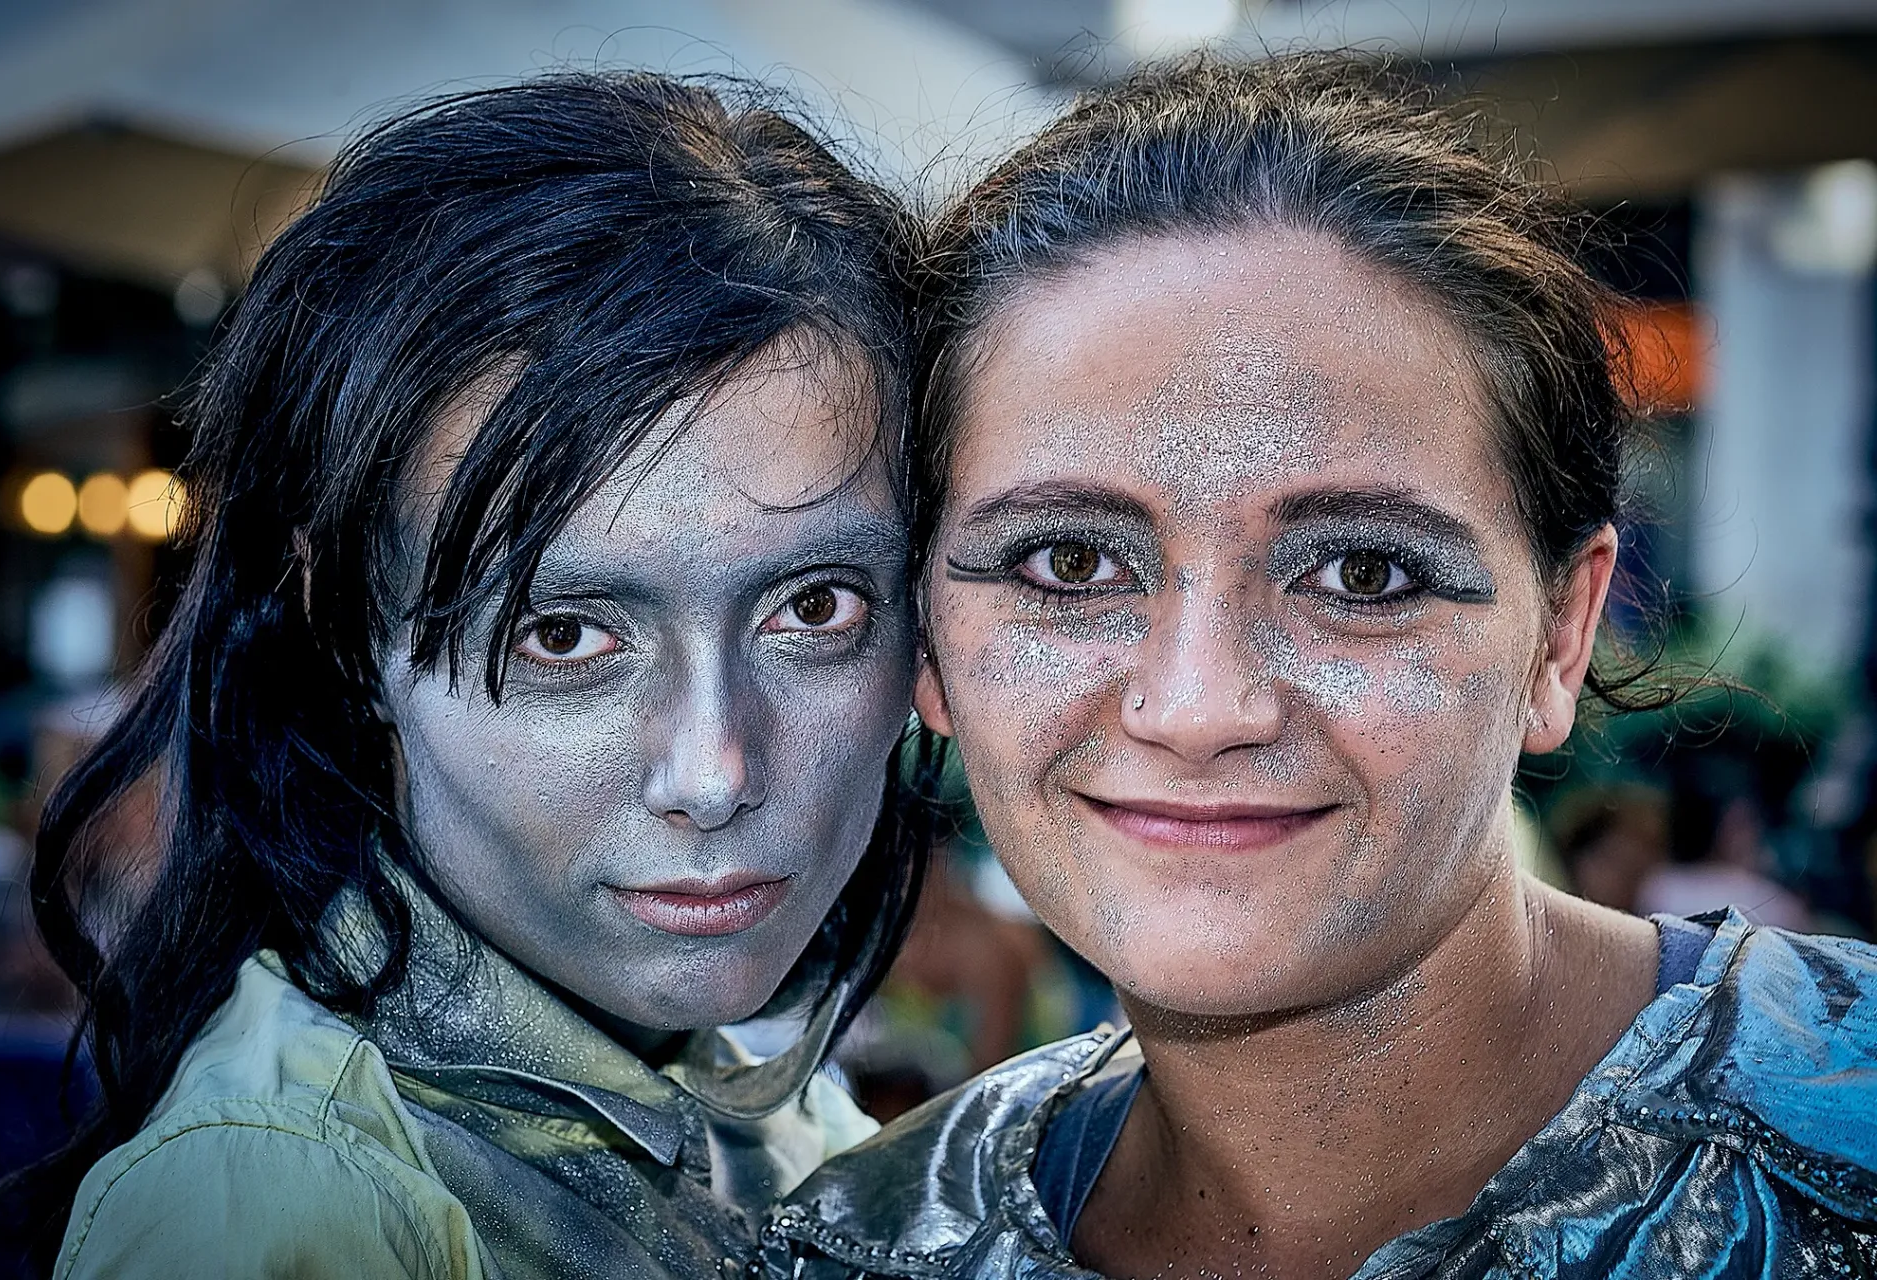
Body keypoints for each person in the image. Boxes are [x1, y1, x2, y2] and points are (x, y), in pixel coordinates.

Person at [768, 53, 1877, 1279]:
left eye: (1360, 574)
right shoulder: (859, 1246)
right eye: (1071, 562)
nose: (1197, 707)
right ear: (926, 636)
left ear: (1560, 637)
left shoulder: (1849, 1117)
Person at [22, 71, 933, 1280]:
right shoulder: (288, 1213)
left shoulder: (755, 1103)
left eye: (815, 607)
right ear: (347, 631)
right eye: (562, 635)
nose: (714, 771)